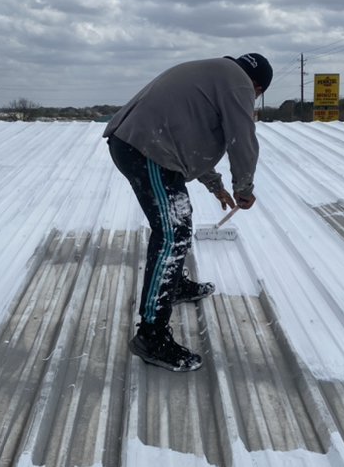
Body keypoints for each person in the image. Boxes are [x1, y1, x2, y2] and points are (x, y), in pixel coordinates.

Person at [103, 53, 273, 372]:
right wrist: (244, 188)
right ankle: (151, 336)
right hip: (144, 147)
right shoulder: (238, 83)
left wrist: (216, 185)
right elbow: (242, 137)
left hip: (145, 145)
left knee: (177, 223)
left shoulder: (216, 74)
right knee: (172, 233)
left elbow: (191, 140)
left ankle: (174, 286)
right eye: (257, 95)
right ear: (258, 87)